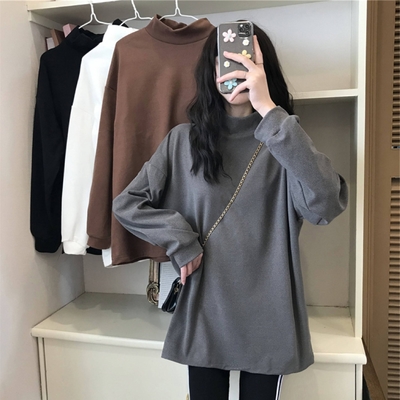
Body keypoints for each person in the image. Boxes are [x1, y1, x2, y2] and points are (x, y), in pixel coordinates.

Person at [112, 23, 348, 400]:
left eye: (248, 59)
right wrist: (180, 240)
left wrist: (268, 109)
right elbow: (127, 203)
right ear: (211, 70)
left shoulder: (285, 141)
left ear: (264, 70)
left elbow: (326, 204)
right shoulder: (183, 142)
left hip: (270, 318)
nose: (236, 69)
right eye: (226, 60)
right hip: (205, 310)